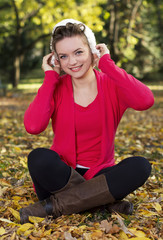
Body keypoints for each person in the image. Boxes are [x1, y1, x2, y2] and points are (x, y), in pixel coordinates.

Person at [20, 19, 154, 224]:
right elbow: (33, 126)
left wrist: (107, 65)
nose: (72, 62)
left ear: (93, 51)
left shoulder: (112, 84)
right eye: (63, 56)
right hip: (60, 177)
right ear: (56, 60)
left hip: (101, 174)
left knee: (141, 166)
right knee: (38, 158)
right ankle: (103, 202)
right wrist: (49, 79)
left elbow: (146, 100)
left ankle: (53, 206)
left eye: (78, 52)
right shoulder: (56, 88)